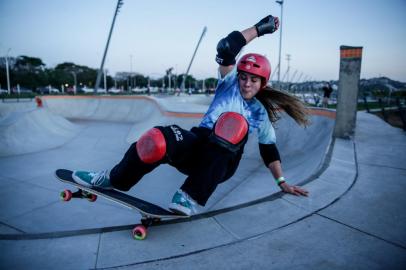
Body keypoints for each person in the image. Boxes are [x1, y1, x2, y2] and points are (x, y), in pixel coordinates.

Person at [72, 15, 309, 216]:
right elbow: (226, 47)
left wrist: (282, 183)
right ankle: (113, 178)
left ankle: (189, 196)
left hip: (221, 163)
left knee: (233, 124)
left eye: (253, 79)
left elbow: (269, 150)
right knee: (156, 139)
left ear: (262, 84)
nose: (246, 83)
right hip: (197, 146)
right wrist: (258, 29)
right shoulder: (228, 84)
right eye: (243, 77)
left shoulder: (260, 114)